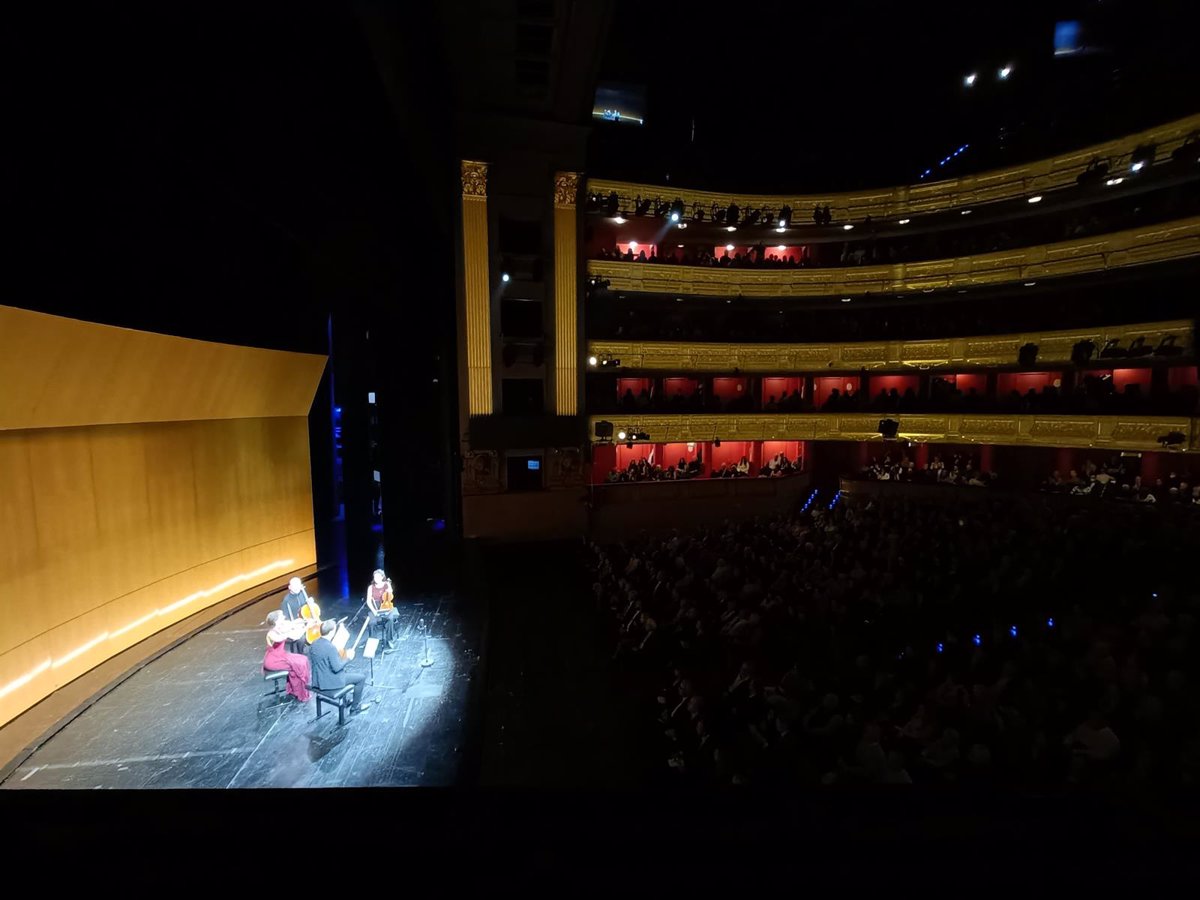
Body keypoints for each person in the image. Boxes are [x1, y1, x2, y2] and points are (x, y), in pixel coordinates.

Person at [309, 620, 368, 714]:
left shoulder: (314, 643)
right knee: (361, 678)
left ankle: (345, 702)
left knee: (344, 673)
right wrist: (348, 658)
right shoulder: (330, 647)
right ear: (332, 632)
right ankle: (355, 708)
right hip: (330, 682)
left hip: (317, 681)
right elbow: (337, 668)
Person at [262, 610, 311, 703]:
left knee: (303, 659)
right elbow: (281, 638)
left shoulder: (280, 628)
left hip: (281, 656)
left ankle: (296, 689)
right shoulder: (271, 634)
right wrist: (291, 629)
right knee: (298, 664)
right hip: (273, 660)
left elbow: (295, 633)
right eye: (282, 617)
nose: (284, 617)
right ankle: (299, 691)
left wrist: (303, 625)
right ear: (276, 621)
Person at [366, 569, 400, 649]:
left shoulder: (386, 584)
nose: (376, 578)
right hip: (375, 608)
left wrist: (389, 587)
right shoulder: (371, 587)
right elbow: (368, 601)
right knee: (372, 623)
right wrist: (374, 611)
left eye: (378, 577)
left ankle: (389, 640)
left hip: (386, 607)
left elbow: (390, 593)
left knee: (390, 619)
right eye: (375, 577)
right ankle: (372, 643)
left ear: (382, 577)